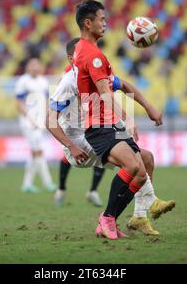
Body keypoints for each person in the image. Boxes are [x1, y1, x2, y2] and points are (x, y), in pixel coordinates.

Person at [47, 37, 175, 236]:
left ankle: (137, 217)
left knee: (146, 160)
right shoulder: (69, 82)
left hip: (99, 130)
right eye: (79, 55)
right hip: (80, 141)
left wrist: (149, 107)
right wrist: (70, 146)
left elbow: (125, 86)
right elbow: (50, 121)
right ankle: (129, 210)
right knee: (134, 166)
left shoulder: (96, 73)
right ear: (71, 59)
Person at [52, 38, 106, 208]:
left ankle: (93, 191)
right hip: (74, 117)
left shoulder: (93, 64)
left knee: (106, 149)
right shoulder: (71, 72)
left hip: (90, 115)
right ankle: (61, 188)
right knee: (76, 153)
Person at [15, 57, 57, 193]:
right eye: (32, 65)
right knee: (38, 151)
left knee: (35, 152)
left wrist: (46, 116)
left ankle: (26, 184)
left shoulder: (43, 81)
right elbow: (19, 103)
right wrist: (30, 118)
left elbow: (45, 101)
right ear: (28, 67)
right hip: (28, 121)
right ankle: (48, 183)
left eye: (37, 65)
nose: (35, 67)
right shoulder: (23, 81)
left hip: (40, 120)